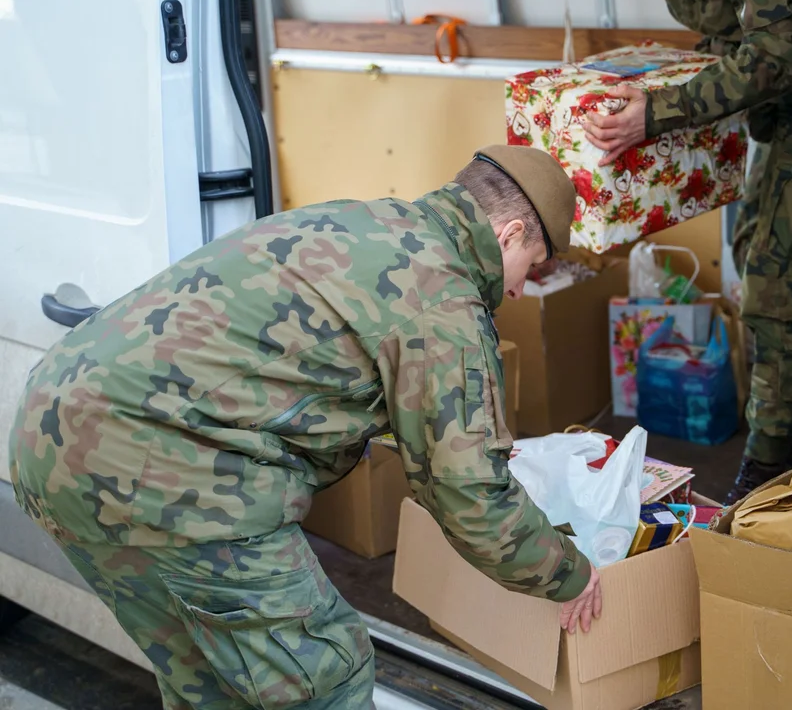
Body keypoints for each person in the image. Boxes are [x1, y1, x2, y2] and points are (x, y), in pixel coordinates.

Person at [8, 145, 602, 710]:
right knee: (324, 679)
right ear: (511, 234)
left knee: (213, 683)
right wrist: (569, 576)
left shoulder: (362, 219)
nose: (521, 288)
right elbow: (468, 495)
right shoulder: (441, 301)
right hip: (166, 470)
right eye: (532, 267)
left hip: (52, 432)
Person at [583, 0, 792, 502]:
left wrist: (661, 110)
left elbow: (778, 48)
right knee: (752, 251)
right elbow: (738, 24)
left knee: (772, 290)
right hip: (787, 112)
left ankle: (769, 464)